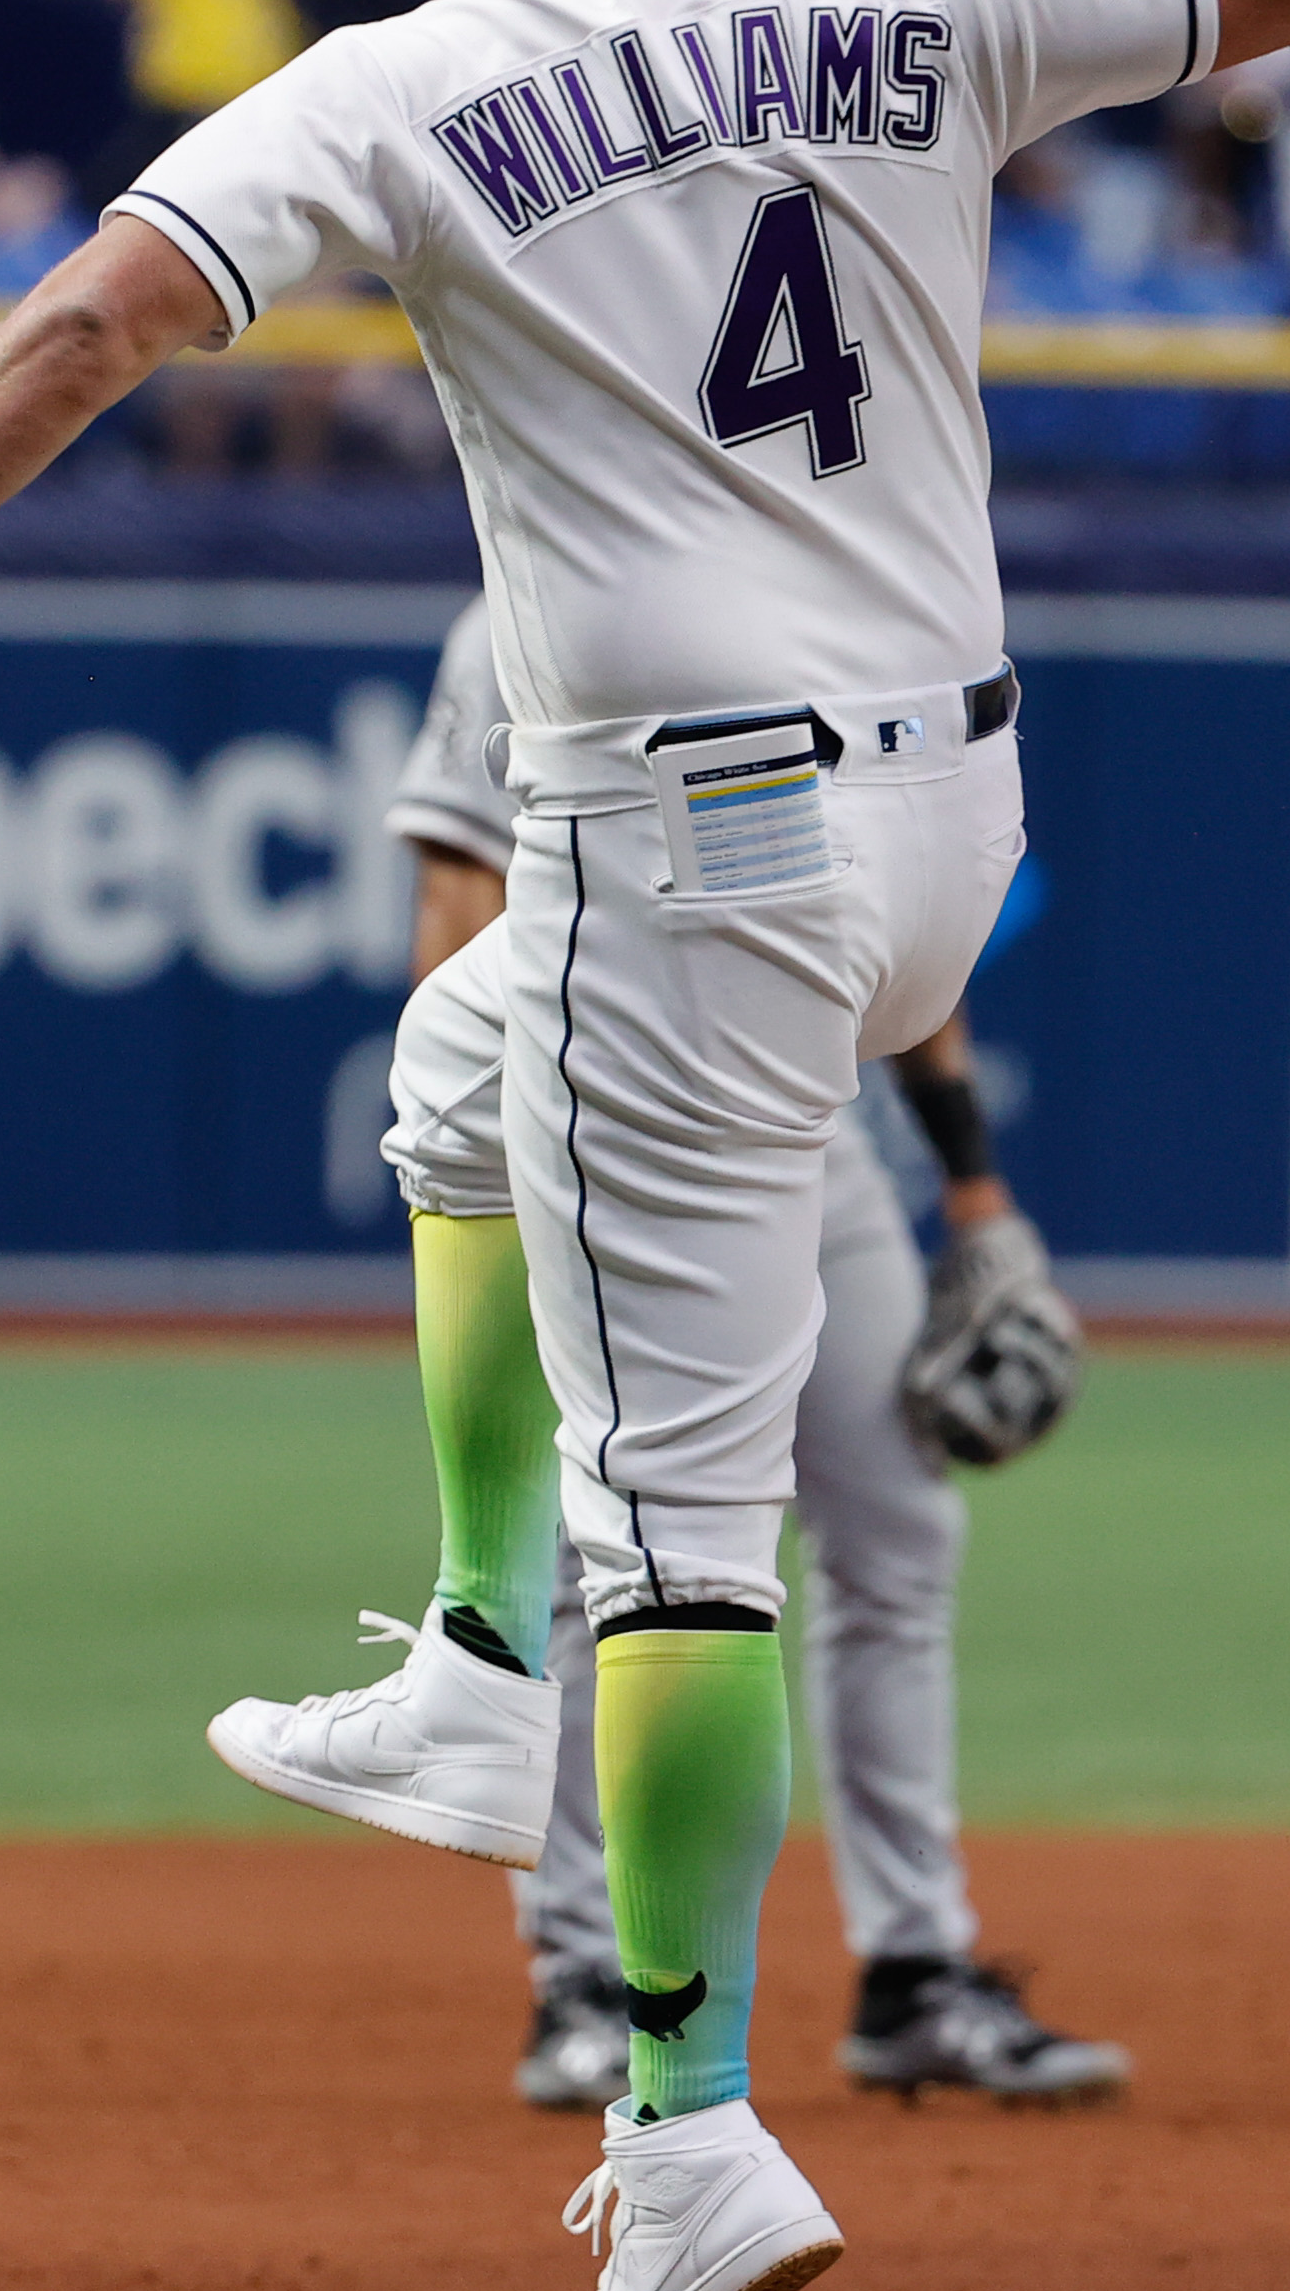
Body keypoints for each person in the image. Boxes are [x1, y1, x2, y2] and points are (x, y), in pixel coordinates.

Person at [0, 0, 1290, 2291]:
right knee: (447, 1078)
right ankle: (483, 1668)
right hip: (943, 827)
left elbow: (95, 315)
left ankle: (694, 2114)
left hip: (683, 837)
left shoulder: (420, 65)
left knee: (696, 1515)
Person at [373, 592, 1122, 2114]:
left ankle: (916, 1967)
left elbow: (900, 918)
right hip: (608, 1125)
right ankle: (582, 1975)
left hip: (810, 1131)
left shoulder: (818, 587)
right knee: (610, 1559)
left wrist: (973, 1183)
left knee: (900, 1524)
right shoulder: (520, 605)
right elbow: (457, 902)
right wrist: (507, 1152)